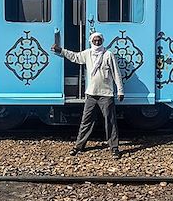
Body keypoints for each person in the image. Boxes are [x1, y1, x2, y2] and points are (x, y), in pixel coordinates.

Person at [52, 31, 125, 159]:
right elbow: (74, 56)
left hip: (106, 94)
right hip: (91, 94)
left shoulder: (108, 55)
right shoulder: (87, 54)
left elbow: (116, 73)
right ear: (91, 41)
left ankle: (114, 148)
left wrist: (120, 90)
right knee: (86, 121)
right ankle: (79, 145)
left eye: (99, 40)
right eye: (95, 40)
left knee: (110, 122)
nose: (97, 42)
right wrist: (61, 51)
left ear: (102, 41)